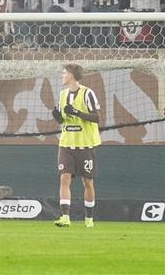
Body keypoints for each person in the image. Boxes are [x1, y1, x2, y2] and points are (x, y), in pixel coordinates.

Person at [51, 63, 101, 229]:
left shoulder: (88, 93)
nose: (62, 75)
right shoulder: (62, 94)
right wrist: (57, 116)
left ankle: (89, 219)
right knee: (64, 178)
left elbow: (96, 117)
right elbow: (63, 121)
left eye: (64, 73)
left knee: (88, 182)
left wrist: (78, 113)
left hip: (85, 145)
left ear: (71, 75)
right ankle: (65, 216)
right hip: (66, 144)